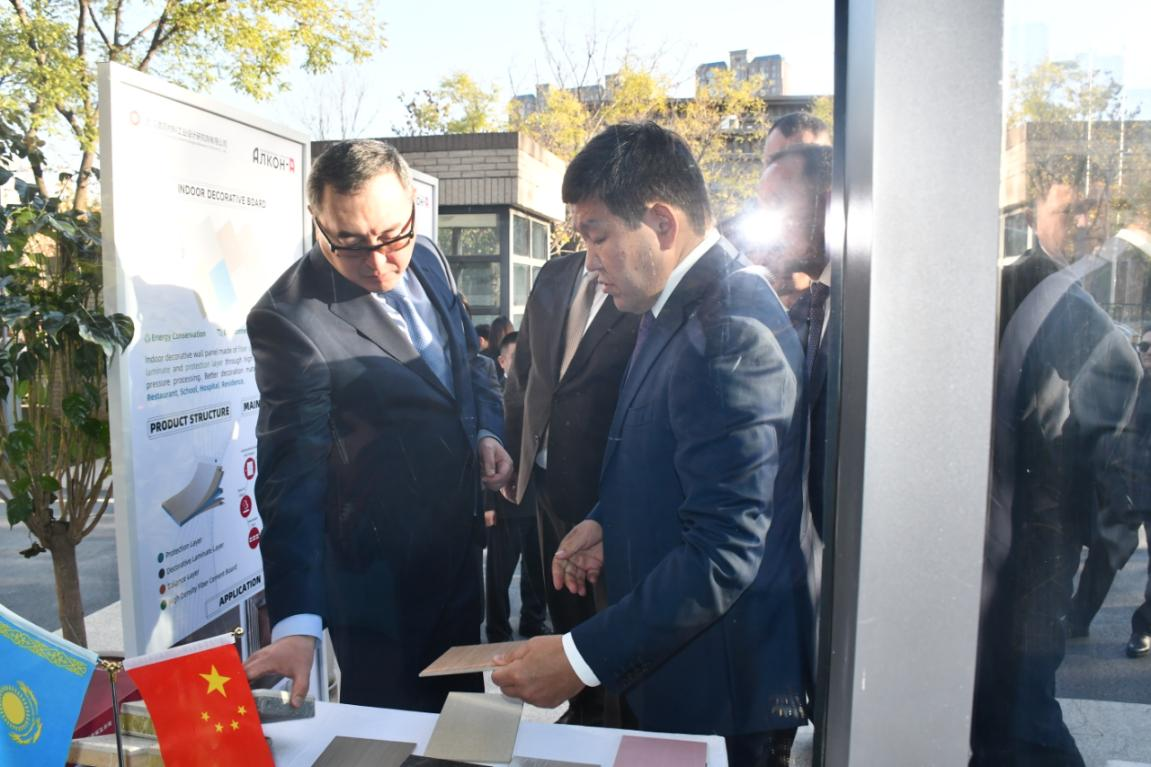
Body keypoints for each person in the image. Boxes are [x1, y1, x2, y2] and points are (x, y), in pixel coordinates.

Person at [492, 122, 812, 767]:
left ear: (662, 223)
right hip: (677, 670)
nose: (589, 261)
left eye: (598, 236)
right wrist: (606, 521)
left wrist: (578, 659)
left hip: (715, 690)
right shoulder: (673, 303)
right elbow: (665, 454)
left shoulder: (729, 330)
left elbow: (725, 550)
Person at [242, 139, 512, 713]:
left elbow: (470, 363)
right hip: (379, 591)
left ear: (413, 205)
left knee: (465, 726)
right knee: (393, 740)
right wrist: (297, 621)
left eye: (393, 236)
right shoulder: (289, 318)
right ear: (317, 221)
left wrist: (487, 431)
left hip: (460, 555)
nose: (379, 261)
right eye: (350, 243)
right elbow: (292, 477)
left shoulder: (430, 258)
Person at [971, 171, 1141, 765]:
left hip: (1029, 539)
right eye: (1070, 210)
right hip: (1020, 536)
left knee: (1015, 711)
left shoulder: (1059, 295)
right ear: (1033, 215)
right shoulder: (1032, 290)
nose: (1085, 222)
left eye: (1093, 209)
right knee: (1018, 714)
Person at [501, 246, 641, 725]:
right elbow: (525, 371)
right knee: (563, 603)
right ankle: (582, 710)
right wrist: (515, 453)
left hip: (607, 487)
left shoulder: (639, 278)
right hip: (545, 479)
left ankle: (614, 722)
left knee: (610, 615)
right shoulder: (555, 272)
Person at [1068, 323, 1151, 657]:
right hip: (1123, 483)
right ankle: (1077, 619)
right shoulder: (1132, 379)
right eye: (1144, 346)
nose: (1147, 352)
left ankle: (1145, 628)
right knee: (1105, 552)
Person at [485, 332, 551, 643]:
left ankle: (532, 621)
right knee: (499, 573)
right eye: (517, 359)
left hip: (538, 500)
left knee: (536, 570)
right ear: (502, 362)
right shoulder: (493, 399)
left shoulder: (542, 397)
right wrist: (488, 504)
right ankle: (497, 629)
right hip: (505, 501)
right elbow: (486, 456)